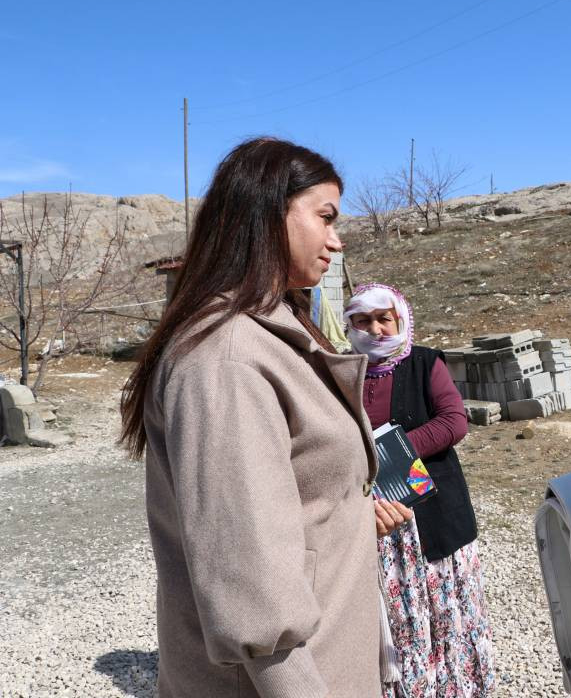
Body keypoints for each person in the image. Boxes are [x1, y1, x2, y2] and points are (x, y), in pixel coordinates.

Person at [120, 137, 401, 698]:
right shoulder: (225, 360)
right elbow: (251, 589)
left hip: (329, 657)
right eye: (325, 217)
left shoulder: (268, 334)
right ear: (270, 211)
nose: (335, 239)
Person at [343, 283, 496, 698]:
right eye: (362, 320)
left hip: (431, 516)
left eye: (383, 318)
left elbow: (453, 422)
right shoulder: (340, 372)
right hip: (376, 519)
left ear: (400, 319)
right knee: (398, 617)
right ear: (349, 326)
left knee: (445, 612)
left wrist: (389, 453)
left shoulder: (425, 363)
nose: (374, 328)